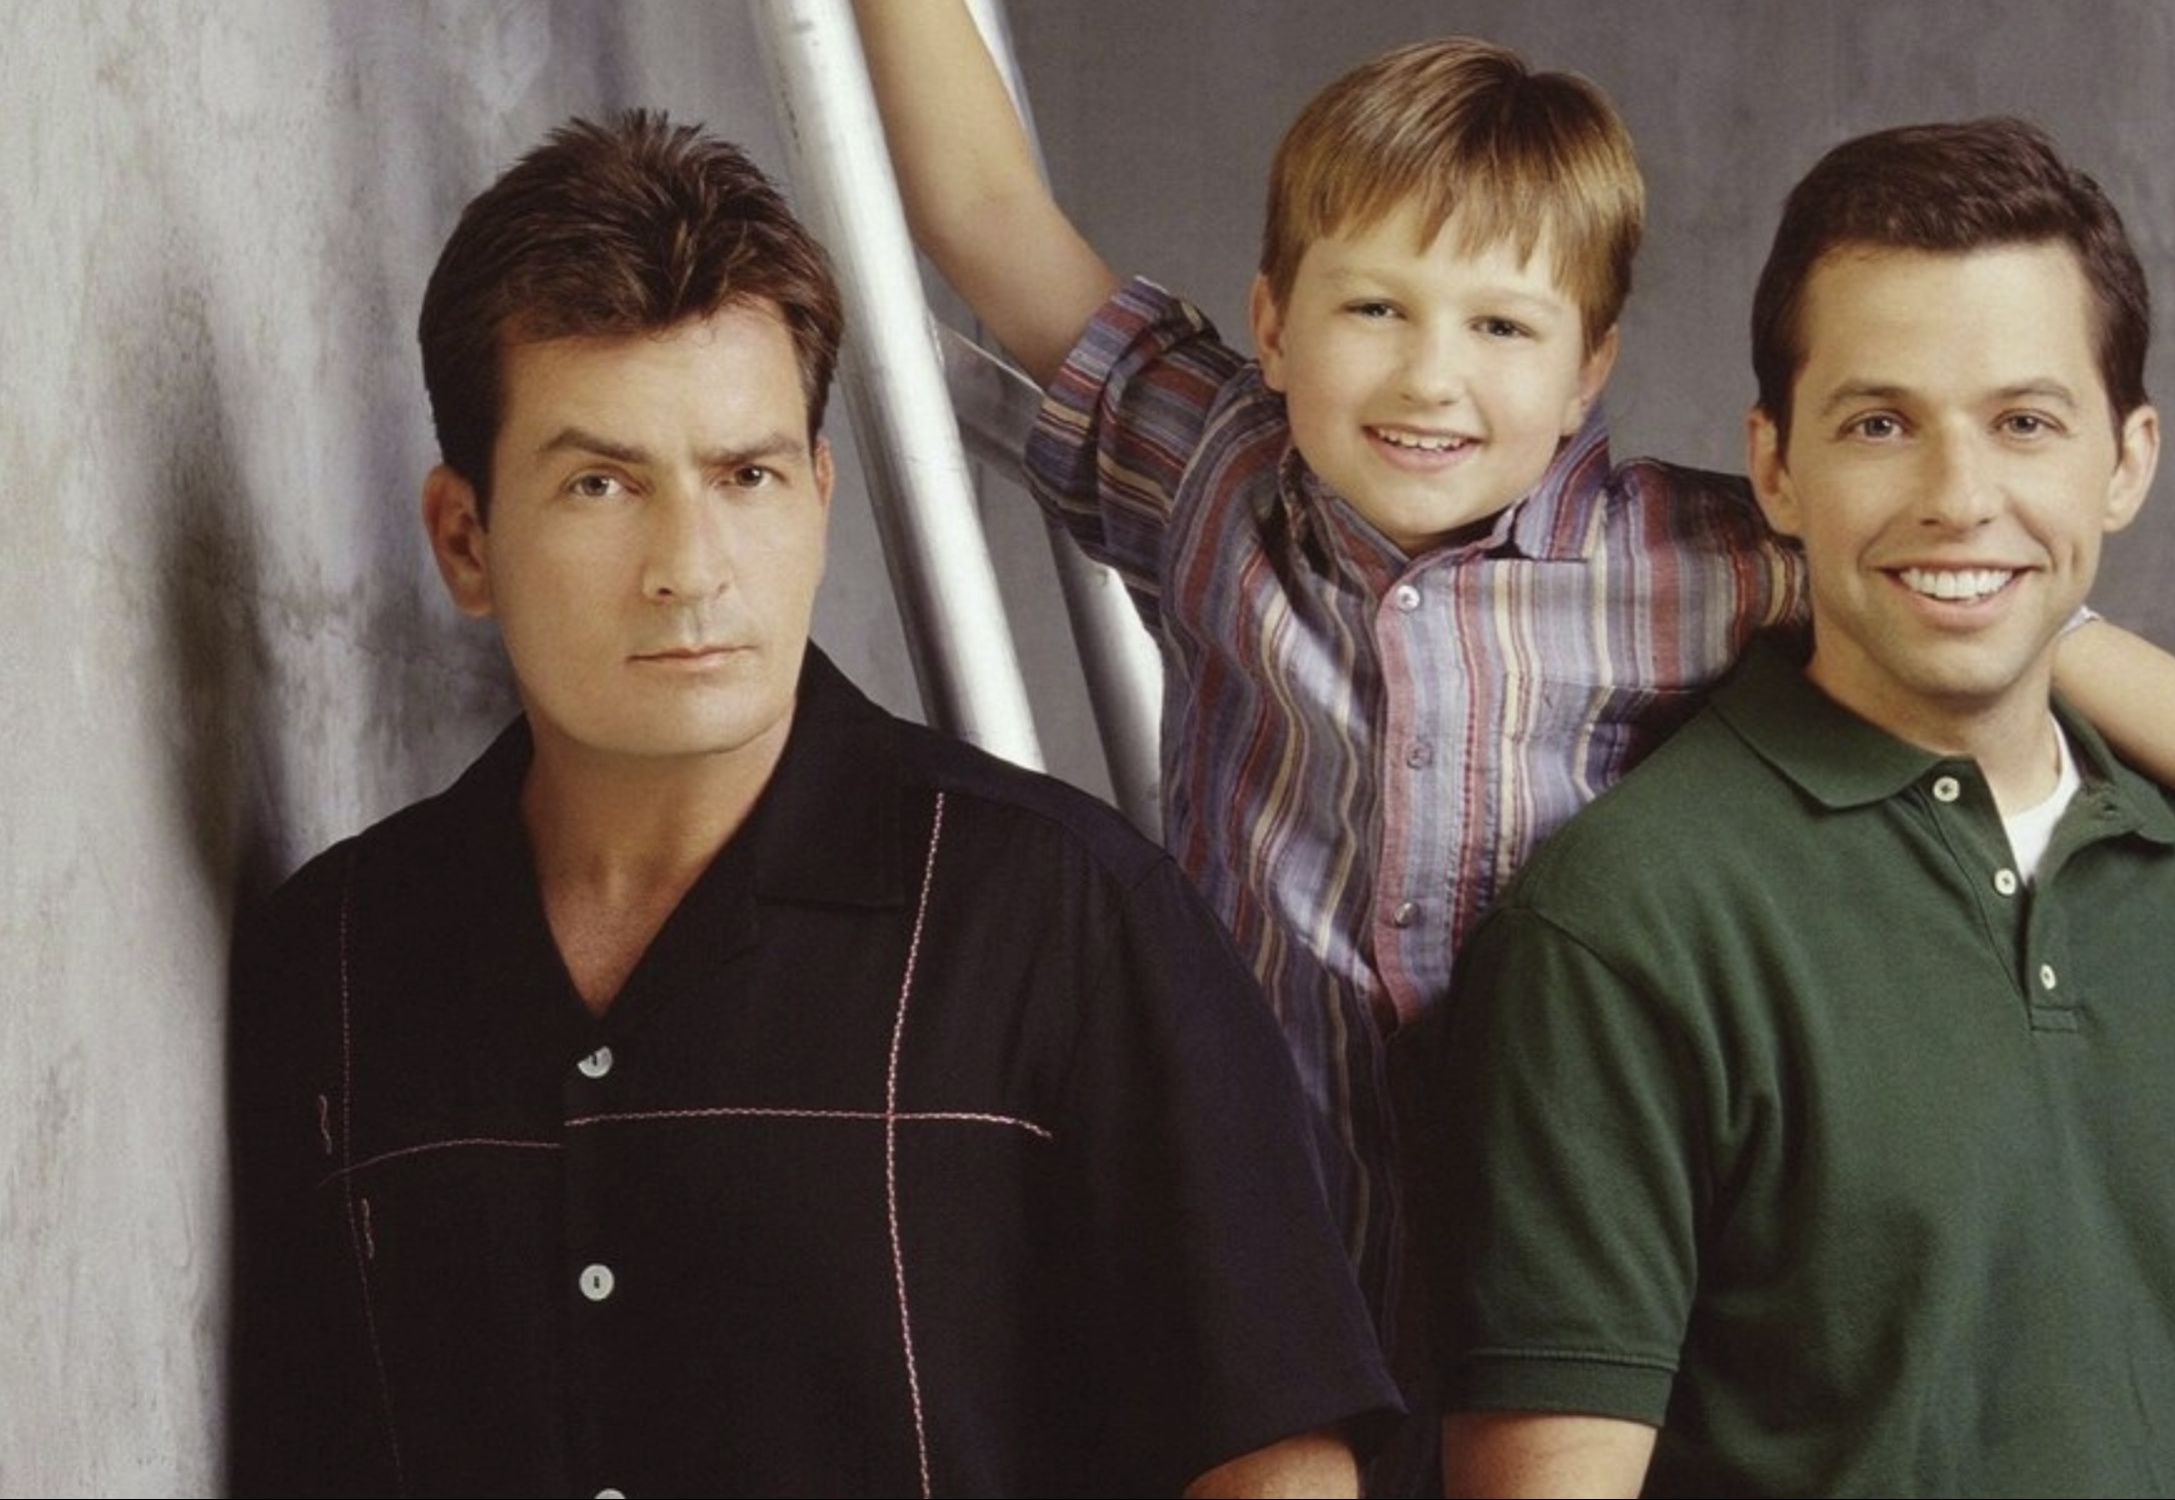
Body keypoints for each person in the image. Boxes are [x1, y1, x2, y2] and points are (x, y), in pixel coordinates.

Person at [854, 0, 2175, 1463]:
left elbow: (2045, 636)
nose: (1431, 379)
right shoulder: (1213, 471)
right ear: (1273, 324)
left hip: (1547, 1250)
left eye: (1502, 327)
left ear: (1590, 373)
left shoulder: (1678, 558)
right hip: (1257, 1260)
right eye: (1374, 312)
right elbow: (991, 219)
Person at [227, 111, 1395, 1498]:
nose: (689, 568)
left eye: (747, 477)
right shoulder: (337, 960)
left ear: (819, 499)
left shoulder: (1067, 919)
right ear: (466, 539)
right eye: (601, 484)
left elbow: (1277, 1465)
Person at [1424, 116, 2175, 1496]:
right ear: (1778, 467)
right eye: (1879, 423)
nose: (1958, 496)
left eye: (2026, 423)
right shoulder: (1621, 932)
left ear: (2127, 460)